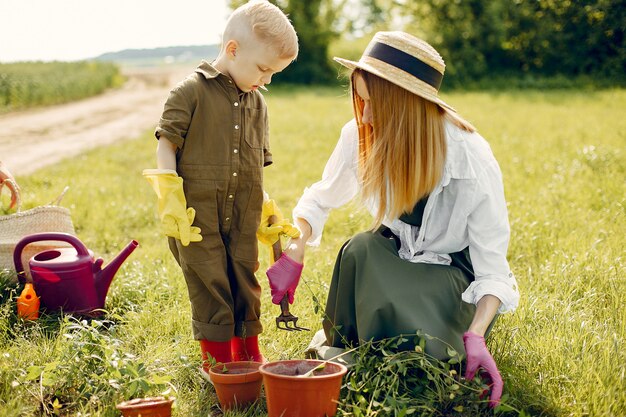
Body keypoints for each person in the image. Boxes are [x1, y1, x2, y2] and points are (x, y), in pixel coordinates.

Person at [267, 31, 519, 408]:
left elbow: (493, 271)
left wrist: (477, 335)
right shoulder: (360, 135)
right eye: (361, 100)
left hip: (451, 277)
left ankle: (399, 354)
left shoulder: (470, 159)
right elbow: (321, 199)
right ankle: (357, 355)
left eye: (374, 103)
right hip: (396, 260)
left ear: (405, 105)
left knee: (413, 350)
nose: (364, 114)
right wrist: (295, 247)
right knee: (359, 250)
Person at [143, 0, 298, 374]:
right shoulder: (189, 92)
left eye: (274, 72)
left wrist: (264, 207)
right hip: (195, 214)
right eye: (264, 68)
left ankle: (249, 354)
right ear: (233, 49)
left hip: (242, 212)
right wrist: (170, 197)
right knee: (210, 283)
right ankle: (219, 363)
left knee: (245, 279)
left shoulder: (258, 103)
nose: (268, 79)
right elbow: (167, 143)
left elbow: (254, 163)